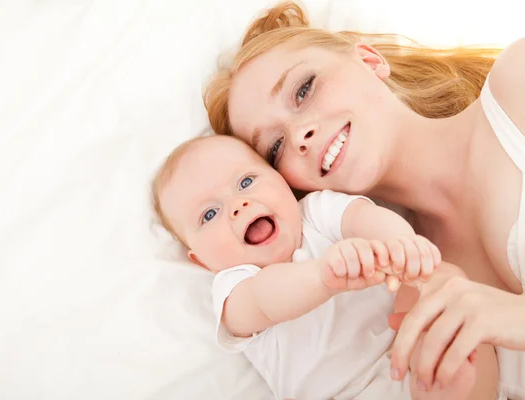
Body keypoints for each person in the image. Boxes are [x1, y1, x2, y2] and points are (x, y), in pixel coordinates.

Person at [203, 1, 525, 398]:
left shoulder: (517, 84)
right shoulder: (401, 292)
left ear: (369, 61)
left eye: (304, 90)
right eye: (275, 147)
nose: (300, 134)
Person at [151, 134, 492, 399]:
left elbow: (364, 217)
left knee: (450, 303)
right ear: (201, 260)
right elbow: (264, 300)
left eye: (246, 182)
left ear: (280, 179)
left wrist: (402, 244)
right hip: (335, 394)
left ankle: (450, 387)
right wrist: (322, 277)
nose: (238, 205)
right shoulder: (234, 284)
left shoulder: (314, 213)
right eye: (209, 214)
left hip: (403, 357)